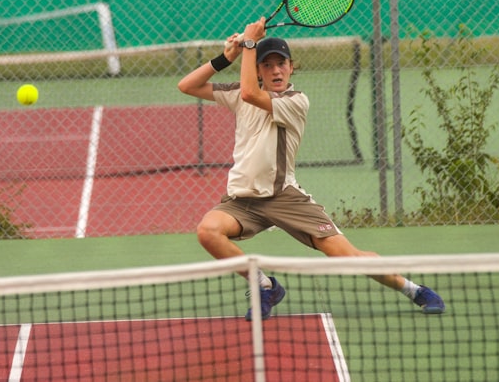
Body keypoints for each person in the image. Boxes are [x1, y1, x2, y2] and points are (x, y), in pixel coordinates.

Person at [177, 17, 446, 320]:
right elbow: (187, 85)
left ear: (292, 67)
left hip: (285, 198)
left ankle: (414, 289)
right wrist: (226, 57)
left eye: (282, 64)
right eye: (268, 65)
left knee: (348, 257)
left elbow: (253, 93)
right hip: (243, 201)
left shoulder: (295, 100)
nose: (276, 70)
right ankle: (265, 286)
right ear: (258, 71)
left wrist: (250, 44)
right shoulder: (238, 94)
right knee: (208, 231)